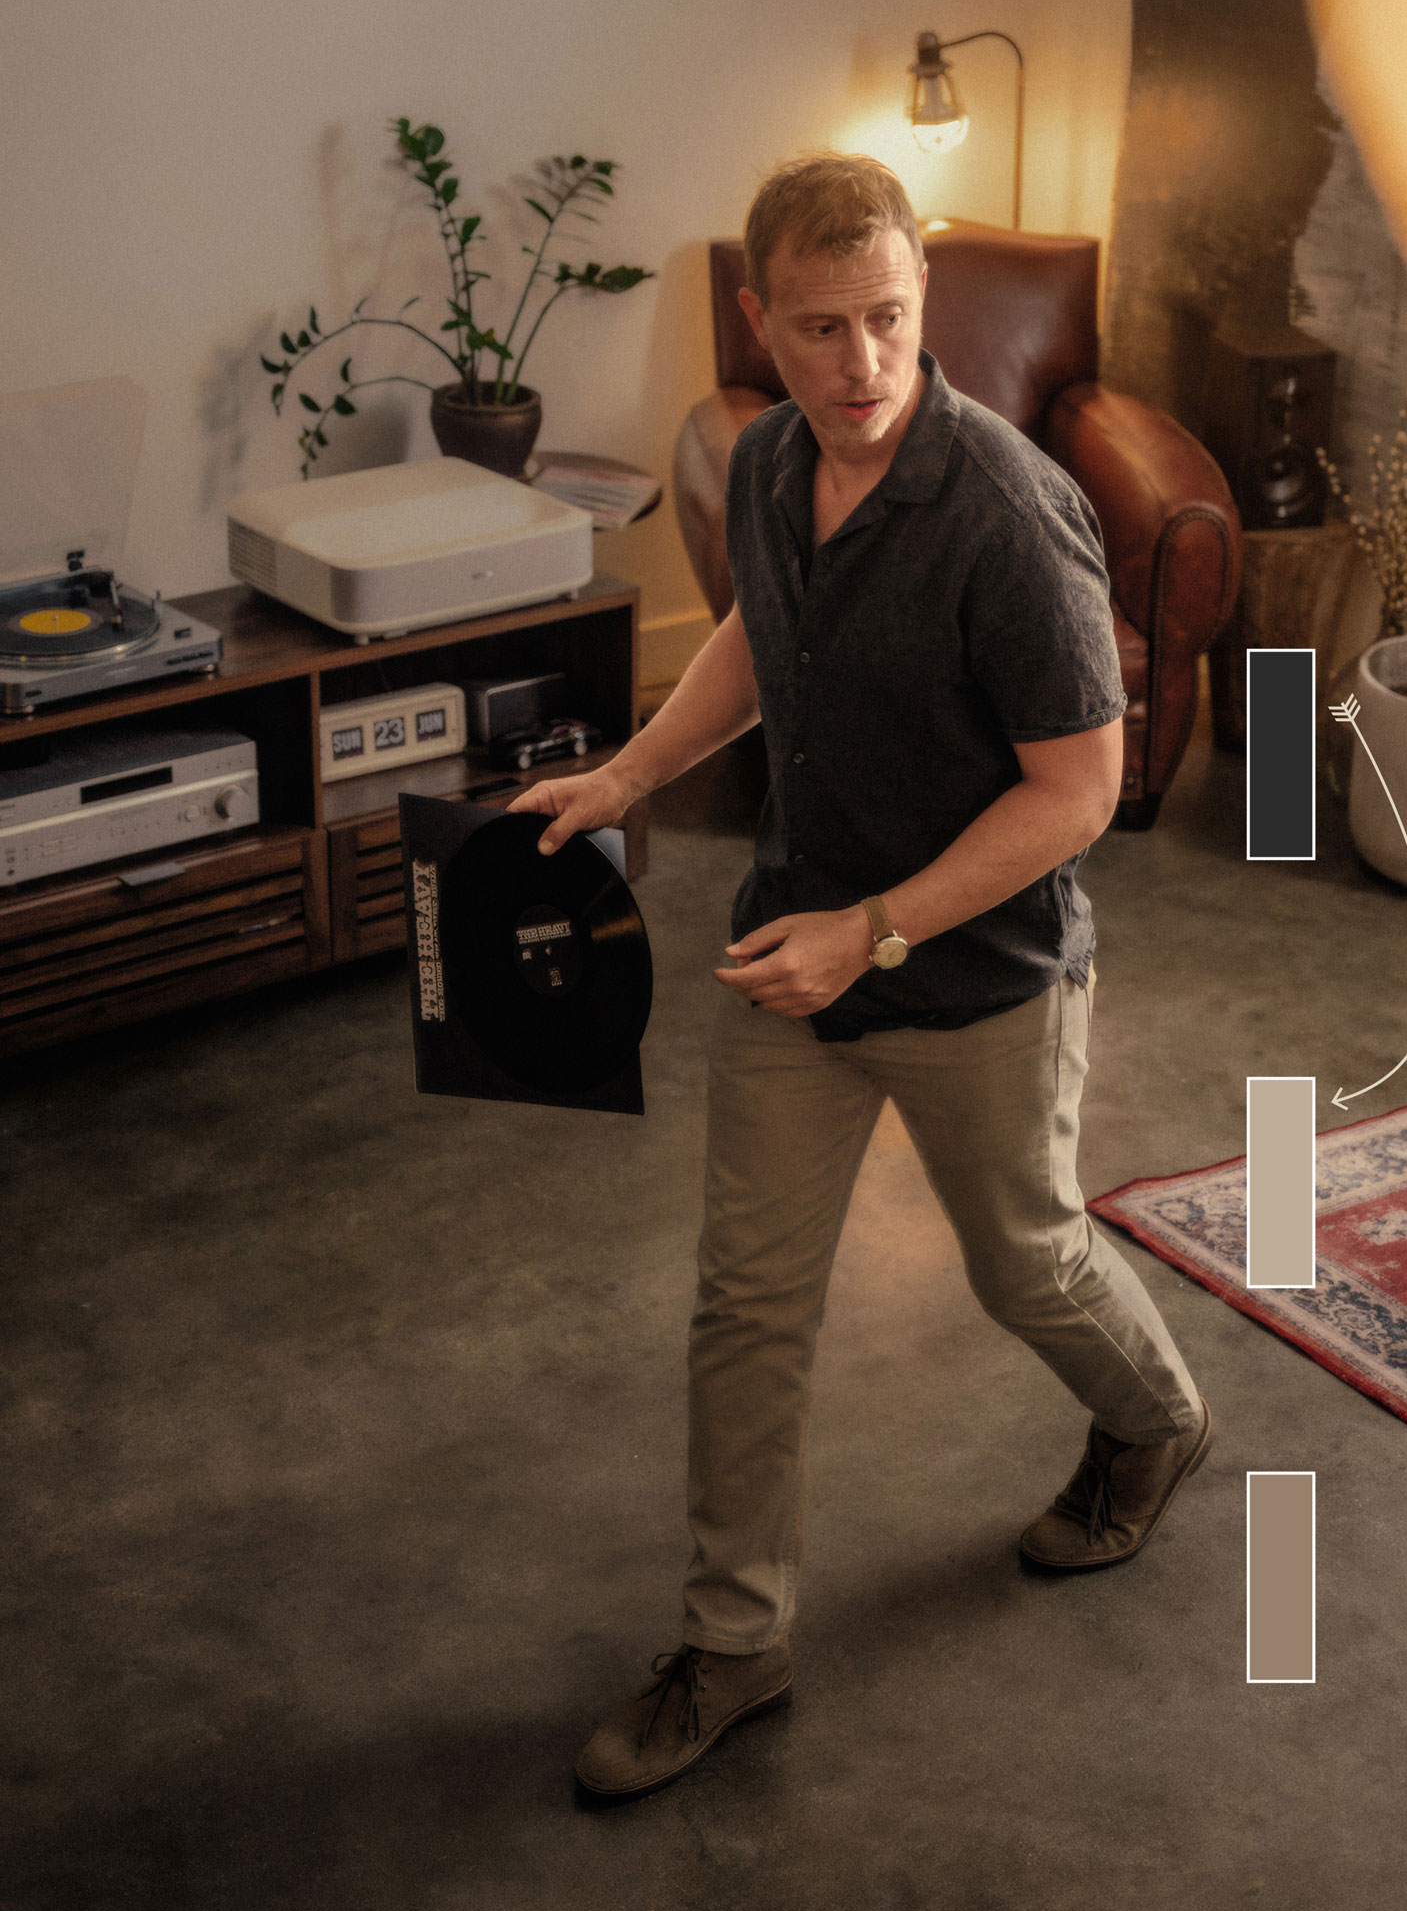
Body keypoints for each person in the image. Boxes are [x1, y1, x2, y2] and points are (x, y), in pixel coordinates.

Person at [513, 153, 1212, 1800]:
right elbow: (763, 637)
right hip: (797, 959)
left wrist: (882, 930)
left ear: (924, 307)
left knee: (1024, 1264)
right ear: (765, 323)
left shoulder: (1007, 516)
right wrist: (627, 777)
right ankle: (735, 1640)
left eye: (889, 320)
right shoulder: (765, 462)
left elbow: (1081, 791)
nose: (861, 364)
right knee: (745, 1304)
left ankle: (1157, 1416)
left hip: (978, 979)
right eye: (820, 329)